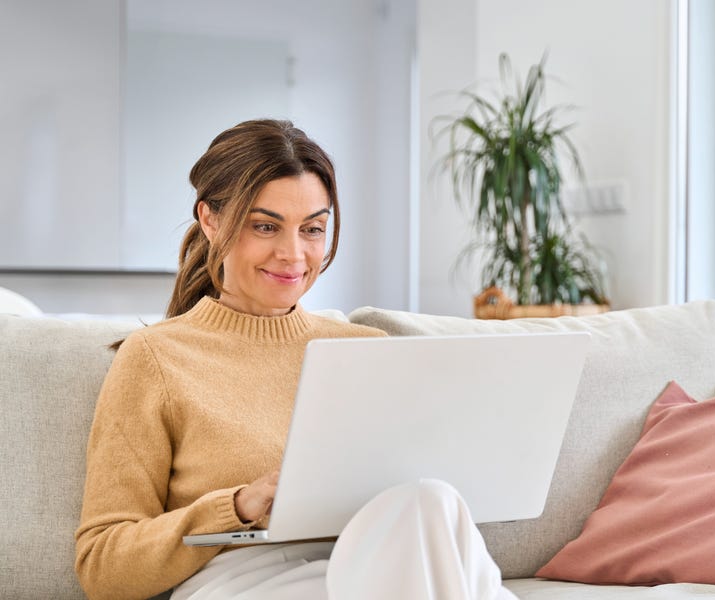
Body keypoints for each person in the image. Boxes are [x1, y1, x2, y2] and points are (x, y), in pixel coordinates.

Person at [75, 119, 516, 600]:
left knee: (432, 499)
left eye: (313, 229)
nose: (294, 254)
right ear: (211, 219)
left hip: (374, 565)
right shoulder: (156, 359)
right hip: (243, 582)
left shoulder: (366, 350)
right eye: (266, 226)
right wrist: (237, 506)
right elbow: (103, 566)